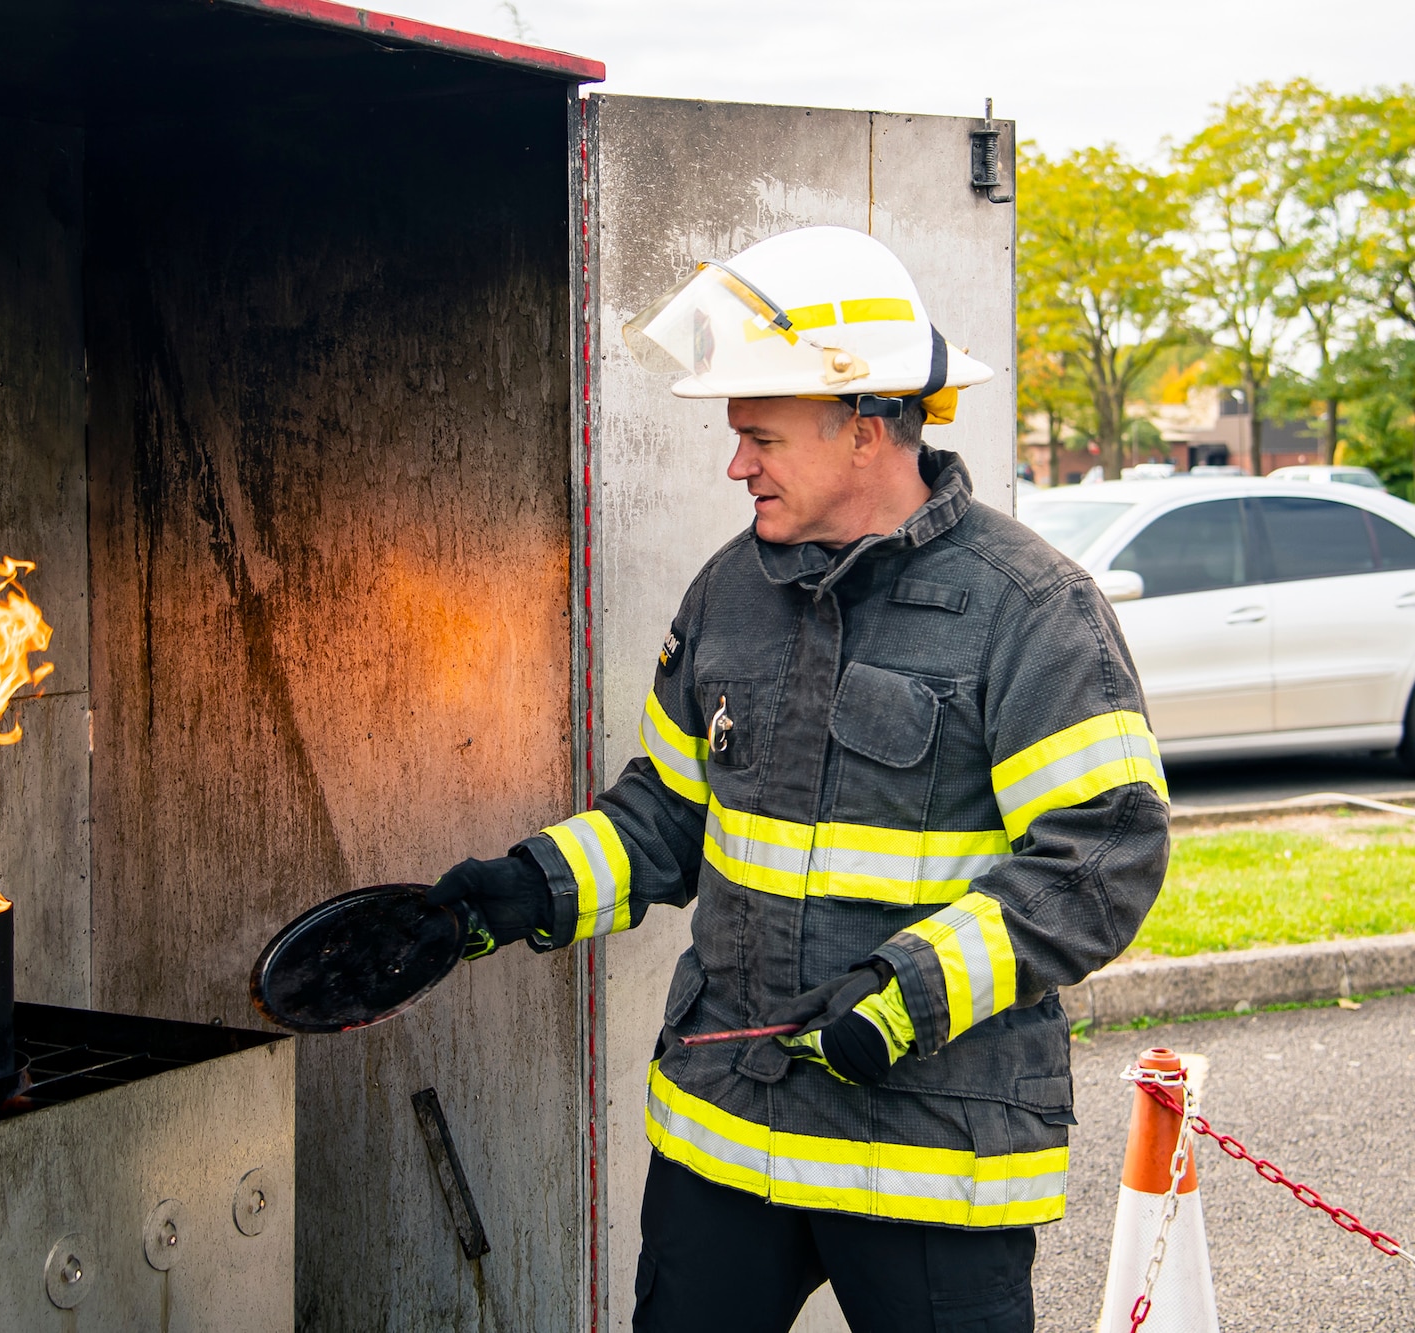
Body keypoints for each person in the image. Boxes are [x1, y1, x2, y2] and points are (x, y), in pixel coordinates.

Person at [428, 226, 1169, 1332]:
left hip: (924, 1149)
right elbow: (667, 815)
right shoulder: (727, 592)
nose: (736, 465)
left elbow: (1100, 858)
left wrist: (906, 995)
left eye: (760, 437)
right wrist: (516, 889)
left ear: (864, 427)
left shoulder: (1029, 611)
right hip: (724, 1137)